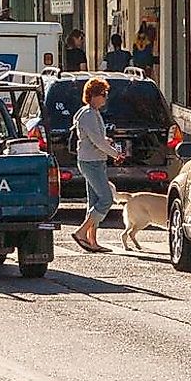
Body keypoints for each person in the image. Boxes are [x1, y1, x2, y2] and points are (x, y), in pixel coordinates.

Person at [70, 77, 122, 254]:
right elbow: (97, 140)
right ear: (92, 95)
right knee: (106, 199)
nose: (105, 98)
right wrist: (115, 154)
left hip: (95, 160)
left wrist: (106, 143)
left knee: (94, 201)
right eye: (102, 95)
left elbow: (97, 138)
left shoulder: (93, 113)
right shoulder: (88, 114)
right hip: (90, 162)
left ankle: (92, 240)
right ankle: (81, 232)